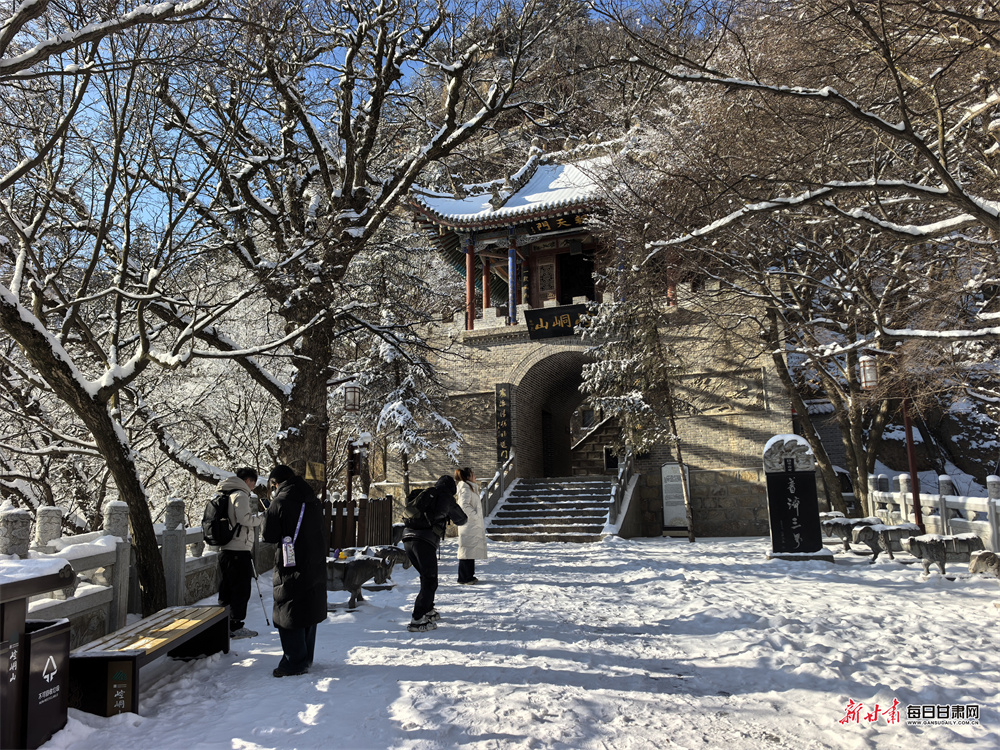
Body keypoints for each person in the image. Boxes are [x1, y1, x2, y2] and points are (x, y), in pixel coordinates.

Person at [261, 464, 327, 677]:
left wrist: (267, 514)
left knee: (289, 608)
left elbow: (269, 535)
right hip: (314, 561)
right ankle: (306, 658)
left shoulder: (280, 501)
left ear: (276, 483)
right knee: (308, 607)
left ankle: (293, 662)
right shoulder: (312, 499)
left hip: (290, 564)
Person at [401, 474, 467, 632]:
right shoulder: (446, 497)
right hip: (424, 541)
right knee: (430, 580)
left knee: (426, 577)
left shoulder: (426, 494)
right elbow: (462, 519)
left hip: (407, 538)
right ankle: (417, 619)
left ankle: (428, 610)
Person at [217, 467, 264, 639]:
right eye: (253, 482)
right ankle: (235, 626)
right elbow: (245, 519)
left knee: (227, 589)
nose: (253, 486)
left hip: (227, 548)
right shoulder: (241, 495)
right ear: (247, 481)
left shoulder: (227, 493)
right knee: (240, 590)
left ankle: (224, 624)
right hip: (239, 549)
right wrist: (261, 518)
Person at [455, 468, 487, 584]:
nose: (475, 477)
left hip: (471, 525)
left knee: (469, 551)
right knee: (467, 551)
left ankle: (468, 576)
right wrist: (475, 516)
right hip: (469, 525)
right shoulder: (466, 489)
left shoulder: (469, 487)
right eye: (473, 475)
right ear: (468, 477)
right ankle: (464, 577)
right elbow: (463, 505)